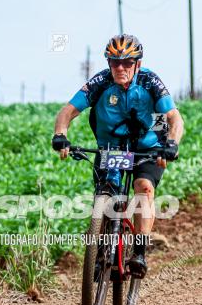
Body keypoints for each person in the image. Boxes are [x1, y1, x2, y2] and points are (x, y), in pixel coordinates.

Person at [51, 34, 185, 278]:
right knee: (107, 193)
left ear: (138, 64)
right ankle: (101, 250)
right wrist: (61, 135)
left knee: (143, 188)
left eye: (126, 63)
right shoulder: (101, 82)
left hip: (148, 146)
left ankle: (140, 253)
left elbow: (175, 118)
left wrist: (172, 143)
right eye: (114, 63)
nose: (120, 68)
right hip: (111, 147)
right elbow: (68, 111)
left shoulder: (150, 82)